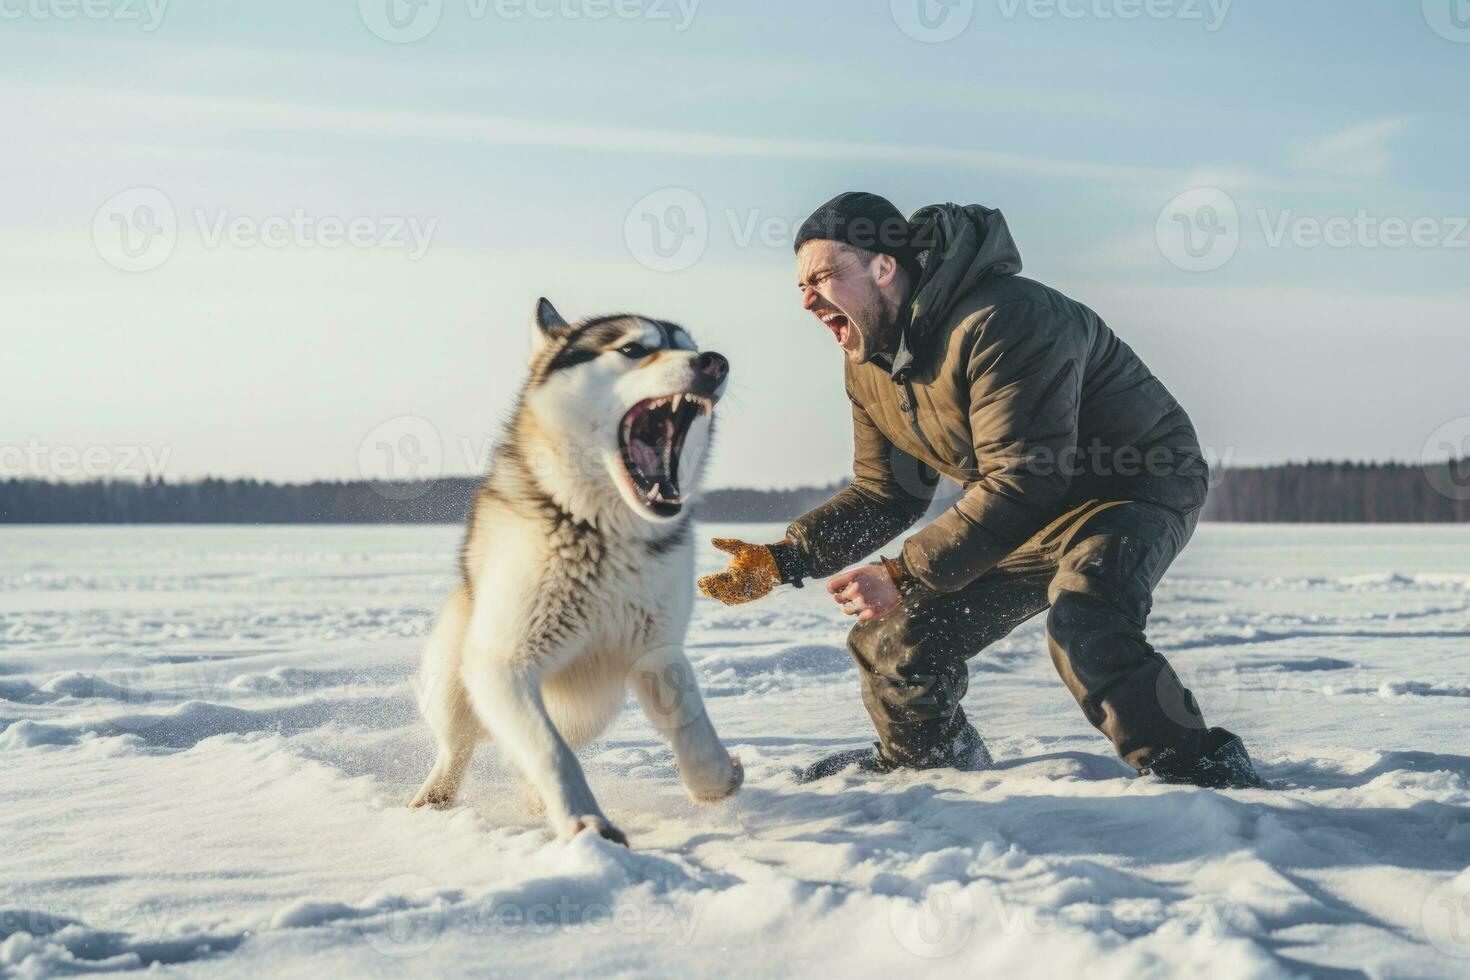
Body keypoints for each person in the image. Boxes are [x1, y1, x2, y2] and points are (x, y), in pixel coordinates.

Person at [698, 191, 1261, 789]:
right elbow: (887, 493)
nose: (808, 299)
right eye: (801, 286)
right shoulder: (869, 364)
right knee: (893, 635)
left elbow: (1026, 477)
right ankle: (930, 768)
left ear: (884, 267)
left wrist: (903, 571)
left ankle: (1204, 775)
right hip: (1028, 510)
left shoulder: (1006, 318)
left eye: (823, 277)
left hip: (1131, 489)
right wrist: (787, 557)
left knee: (1086, 618)